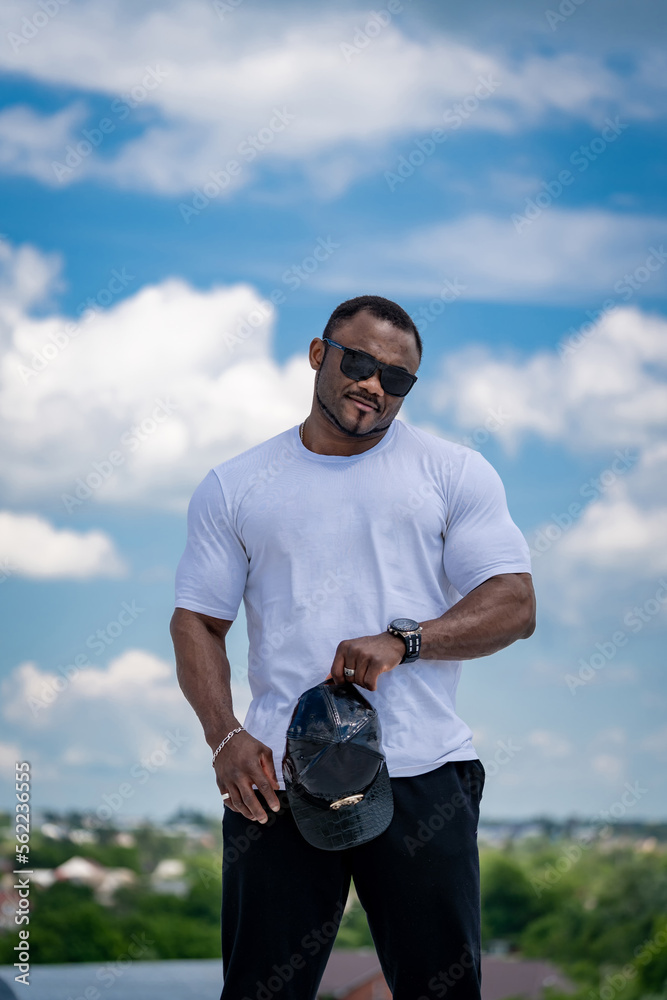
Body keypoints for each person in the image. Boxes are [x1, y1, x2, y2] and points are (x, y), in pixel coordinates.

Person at [171, 294, 536, 1000]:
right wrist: (224, 736)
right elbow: (197, 623)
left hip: (421, 775)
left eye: (395, 378)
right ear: (318, 355)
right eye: (359, 362)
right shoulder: (235, 485)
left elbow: (514, 605)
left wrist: (408, 639)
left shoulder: (453, 473)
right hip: (275, 780)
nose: (373, 384)